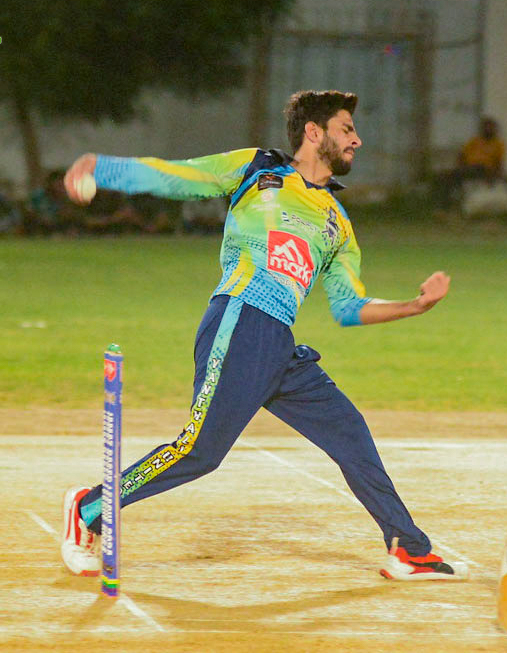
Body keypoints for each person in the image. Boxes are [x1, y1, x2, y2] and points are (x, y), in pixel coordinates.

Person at [59, 90, 468, 583]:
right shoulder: (256, 169)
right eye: (346, 129)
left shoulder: (338, 222)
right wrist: (102, 169)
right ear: (314, 132)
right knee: (199, 452)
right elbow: (178, 176)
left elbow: (349, 307)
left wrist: (414, 305)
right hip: (239, 321)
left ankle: (408, 550)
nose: (357, 140)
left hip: (279, 346)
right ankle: (89, 508)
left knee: (349, 432)